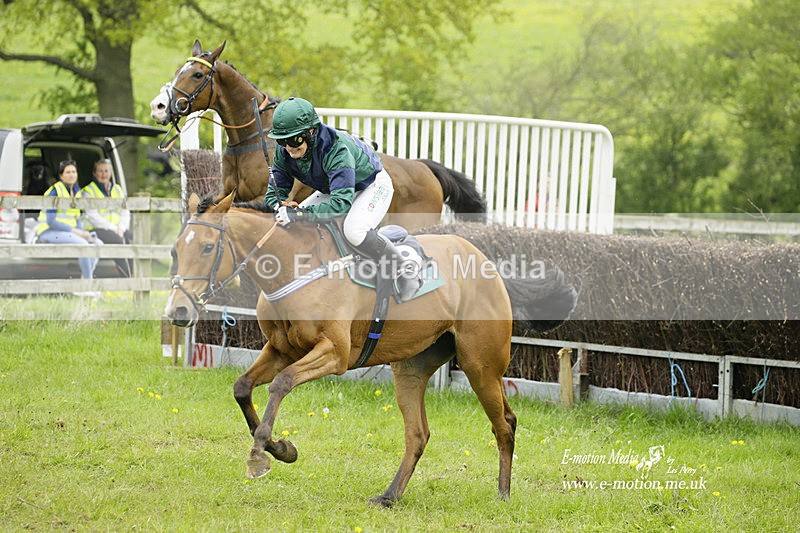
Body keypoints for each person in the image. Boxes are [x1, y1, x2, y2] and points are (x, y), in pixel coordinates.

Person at [263, 97, 420, 302]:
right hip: (333, 188)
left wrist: (299, 213)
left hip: (370, 186)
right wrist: (279, 206)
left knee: (354, 230)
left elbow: (341, 203)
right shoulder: (284, 152)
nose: (289, 148)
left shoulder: (336, 149)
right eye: (283, 141)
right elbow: (274, 194)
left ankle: (405, 270)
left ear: (311, 132)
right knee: (293, 224)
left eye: (295, 140)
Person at [36, 160, 101, 298]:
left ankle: (83, 283)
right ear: (61, 175)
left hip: (67, 232)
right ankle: (88, 287)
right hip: (49, 232)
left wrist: (83, 232)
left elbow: (75, 217)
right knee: (83, 246)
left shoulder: (76, 192)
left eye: (74, 172)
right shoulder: (55, 192)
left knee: (97, 243)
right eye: (68, 172)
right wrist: (76, 232)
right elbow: (51, 221)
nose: (72, 175)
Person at [81, 159, 133, 277]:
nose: (103, 174)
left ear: (110, 173)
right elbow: (92, 216)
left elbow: (125, 212)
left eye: (106, 171)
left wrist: (121, 228)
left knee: (132, 239)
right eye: (100, 171)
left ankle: (135, 277)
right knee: (118, 241)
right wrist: (113, 229)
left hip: (117, 229)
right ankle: (126, 278)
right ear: (94, 173)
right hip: (96, 228)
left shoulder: (118, 189)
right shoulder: (89, 191)